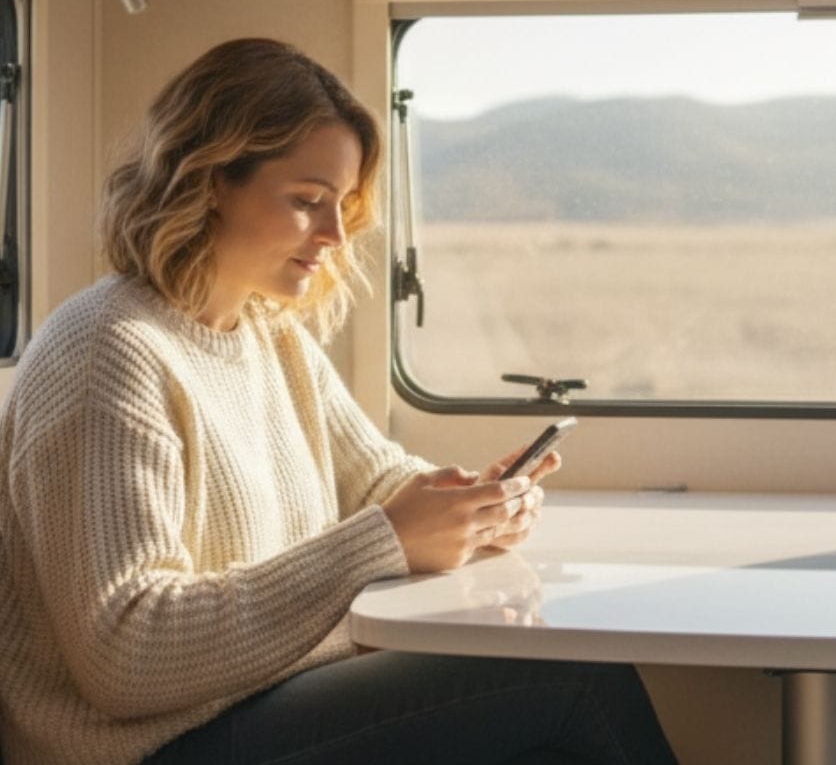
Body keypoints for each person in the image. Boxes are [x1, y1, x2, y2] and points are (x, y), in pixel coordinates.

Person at [0, 39, 679, 765]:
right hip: (147, 747)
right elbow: (127, 656)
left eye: (342, 205)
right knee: (571, 677)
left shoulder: (266, 333)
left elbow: (376, 483)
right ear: (208, 181)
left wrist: (469, 505)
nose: (335, 234)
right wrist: (386, 541)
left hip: (253, 703)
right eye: (307, 202)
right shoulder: (107, 353)